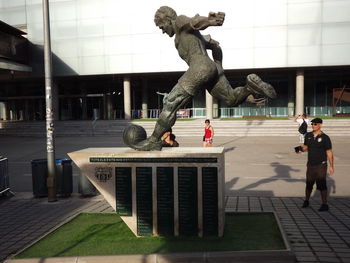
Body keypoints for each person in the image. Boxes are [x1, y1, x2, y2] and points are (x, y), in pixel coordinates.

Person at [128, 6, 276, 151]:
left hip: (199, 68)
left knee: (170, 103)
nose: (162, 31)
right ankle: (248, 87)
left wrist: (210, 21)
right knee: (231, 99)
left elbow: (194, 22)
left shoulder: (179, 21)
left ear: (168, 20)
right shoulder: (191, 36)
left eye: (161, 27)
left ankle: (153, 140)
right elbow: (216, 46)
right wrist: (218, 67)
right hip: (211, 68)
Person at [297, 118, 334, 212]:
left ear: (320, 125)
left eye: (315, 124)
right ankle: (306, 200)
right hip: (310, 164)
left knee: (322, 184)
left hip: (321, 164)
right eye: (312, 124)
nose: (313, 125)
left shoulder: (325, 137)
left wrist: (331, 166)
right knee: (309, 184)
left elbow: (329, 152)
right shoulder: (308, 135)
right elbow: (306, 146)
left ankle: (324, 204)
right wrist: (300, 149)